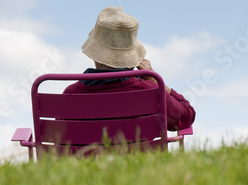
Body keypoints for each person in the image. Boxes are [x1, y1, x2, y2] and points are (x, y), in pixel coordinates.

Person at [64, 7, 195, 131]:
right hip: (139, 154)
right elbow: (186, 116)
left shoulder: (71, 94)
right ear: (132, 60)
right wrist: (156, 80)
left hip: (84, 155)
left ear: (95, 55)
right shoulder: (150, 90)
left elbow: (60, 140)